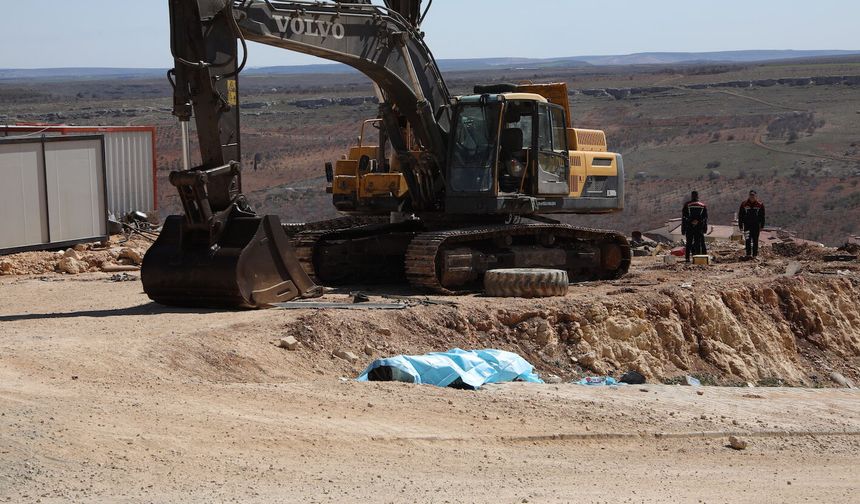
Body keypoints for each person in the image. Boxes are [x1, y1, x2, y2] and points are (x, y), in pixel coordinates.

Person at [738, 190, 766, 259]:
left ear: (756, 196)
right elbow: (740, 215)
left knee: (755, 240)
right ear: (749, 195)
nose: (752, 197)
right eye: (751, 195)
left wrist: (762, 226)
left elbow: (762, 216)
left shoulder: (760, 204)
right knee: (747, 240)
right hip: (747, 226)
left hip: (756, 226)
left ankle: (755, 255)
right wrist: (740, 226)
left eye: (753, 195)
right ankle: (748, 255)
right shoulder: (744, 204)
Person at [682, 191, 708, 263]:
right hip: (699, 227)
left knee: (689, 243)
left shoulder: (687, 205)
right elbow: (705, 217)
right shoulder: (702, 205)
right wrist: (701, 224)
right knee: (698, 243)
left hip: (689, 226)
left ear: (691, 196)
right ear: (697, 196)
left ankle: (687, 258)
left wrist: (683, 229)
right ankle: (697, 259)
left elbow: (684, 217)